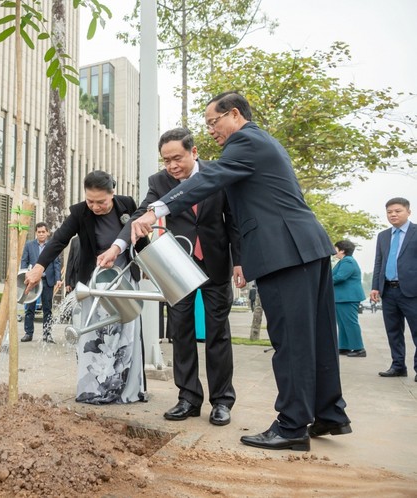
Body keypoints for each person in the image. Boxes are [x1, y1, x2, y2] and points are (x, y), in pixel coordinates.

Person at [130, 92, 350, 451]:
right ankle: (330, 413)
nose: (211, 130)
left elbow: (208, 179)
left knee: (291, 342)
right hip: (307, 247)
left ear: (234, 115)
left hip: (285, 252)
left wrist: (156, 211)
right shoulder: (262, 142)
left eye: (213, 122)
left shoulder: (245, 141)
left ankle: (292, 425)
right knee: (316, 337)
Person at [113, 127, 242, 426]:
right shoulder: (159, 181)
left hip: (216, 262)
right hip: (177, 265)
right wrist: (120, 245)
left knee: (217, 334)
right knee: (180, 332)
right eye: (166, 160)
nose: (171, 166)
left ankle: (222, 401)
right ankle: (188, 398)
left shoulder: (217, 174)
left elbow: (233, 221)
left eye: (177, 158)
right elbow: (143, 213)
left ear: (194, 152)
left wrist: (241, 262)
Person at [25, 170, 148, 404]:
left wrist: (149, 264)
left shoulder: (127, 205)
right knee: (94, 336)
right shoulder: (80, 212)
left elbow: (140, 237)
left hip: (123, 280)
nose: (95, 206)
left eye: (101, 201)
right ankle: (95, 390)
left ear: (112, 194)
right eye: (90, 201)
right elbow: (59, 239)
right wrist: (39, 266)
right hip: (94, 282)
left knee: (126, 336)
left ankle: (126, 391)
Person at [370, 197, 417, 381]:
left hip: (412, 291)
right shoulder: (383, 236)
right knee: (393, 331)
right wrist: (375, 286)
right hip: (388, 290)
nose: (393, 214)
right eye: (389, 212)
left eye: (397, 211)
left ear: (408, 212)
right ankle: (398, 366)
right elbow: (378, 262)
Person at [20, 222, 61, 343]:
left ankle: (47, 334)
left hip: (47, 281)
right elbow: (24, 261)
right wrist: (24, 276)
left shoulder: (52, 245)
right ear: (36, 233)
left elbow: (56, 263)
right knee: (30, 308)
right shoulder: (29, 245)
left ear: (47, 232)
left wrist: (58, 278)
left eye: (43, 232)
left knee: (47, 308)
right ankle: (28, 333)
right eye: (39, 232)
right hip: (33, 282)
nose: (41, 234)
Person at [332, 239, 366, 358]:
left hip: (348, 297)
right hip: (342, 297)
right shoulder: (344, 261)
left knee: (350, 323)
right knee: (343, 323)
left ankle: (359, 348)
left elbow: (340, 277)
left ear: (342, 250)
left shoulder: (348, 261)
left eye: (335, 248)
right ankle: (344, 346)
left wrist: (323, 282)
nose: (333, 251)